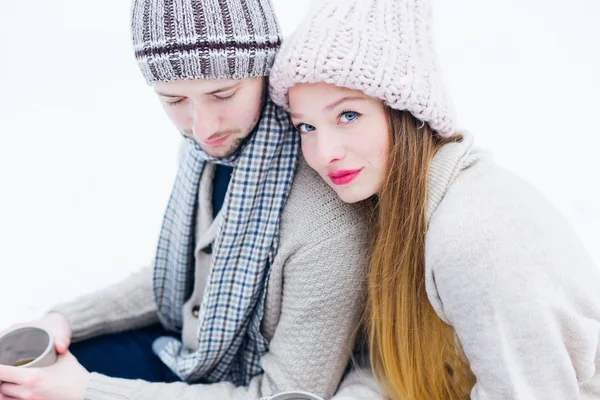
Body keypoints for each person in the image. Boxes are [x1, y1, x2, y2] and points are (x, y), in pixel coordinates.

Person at [0, 1, 381, 399]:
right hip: (188, 352)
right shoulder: (207, 153)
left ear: (265, 73)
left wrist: (90, 390)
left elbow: (283, 392)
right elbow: (180, 277)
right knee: (16, 381)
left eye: (222, 94)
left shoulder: (325, 221)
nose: (201, 127)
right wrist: (65, 321)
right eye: (174, 100)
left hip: (243, 381)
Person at [268, 0, 600, 398]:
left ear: (406, 111)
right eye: (306, 126)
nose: (324, 153)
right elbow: (413, 362)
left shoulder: (475, 234)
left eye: (348, 115)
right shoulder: (396, 210)